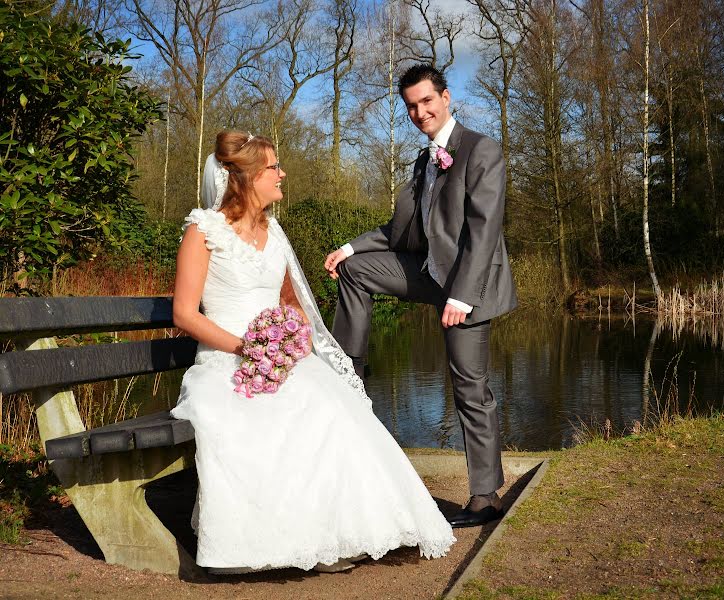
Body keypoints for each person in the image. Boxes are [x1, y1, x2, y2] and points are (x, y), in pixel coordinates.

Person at [170, 130, 455, 574]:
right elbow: (185, 314)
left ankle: (338, 533)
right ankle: (267, 542)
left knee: (332, 407)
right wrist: (248, 349)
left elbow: (291, 305)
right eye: (273, 167)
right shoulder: (202, 231)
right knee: (263, 420)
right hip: (227, 363)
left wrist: (291, 340)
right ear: (246, 178)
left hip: (278, 360)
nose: (283, 173)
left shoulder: (272, 231)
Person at [324, 64, 518, 529]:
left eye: (426, 101)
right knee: (355, 270)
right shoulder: (424, 160)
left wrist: (463, 297)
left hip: (469, 286)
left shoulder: (481, 150)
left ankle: (485, 496)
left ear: (446, 98)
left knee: (470, 387)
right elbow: (401, 231)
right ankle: (346, 371)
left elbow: (483, 232)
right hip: (429, 273)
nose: (419, 112)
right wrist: (350, 246)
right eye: (411, 105)